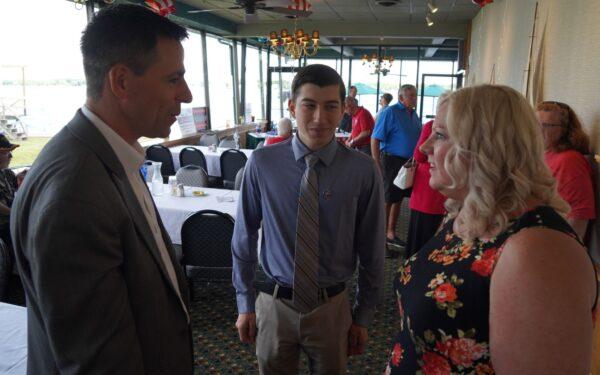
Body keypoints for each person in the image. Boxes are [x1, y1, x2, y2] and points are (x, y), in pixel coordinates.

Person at [10, 5, 194, 373]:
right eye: (173, 79)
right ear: (121, 81)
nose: (187, 95)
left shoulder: (108, 157)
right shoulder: (75, 193)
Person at [384, 85, 596, 374]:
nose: (424, 147)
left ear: (485, 147)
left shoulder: (537, 250)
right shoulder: (468, 213)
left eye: (442, 135)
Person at [232, 64, 385, 374]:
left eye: (330, 107)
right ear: (292, 106)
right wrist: (244, 301)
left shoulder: (363, 170)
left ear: (344, 109)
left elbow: (373, 249)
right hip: (274, 304)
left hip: (332, 307)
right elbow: (244, 234)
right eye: (309, 105)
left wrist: (363, 315)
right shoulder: (262, 162)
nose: (319, 117)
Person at [535, 101, 596, 241]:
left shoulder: (569, 161)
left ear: (565, 130)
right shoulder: (543, 154)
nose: (538, 130)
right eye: (535, 124)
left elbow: (578, 219)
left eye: (547, 125)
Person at [371, 84, 421, 245]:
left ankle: (390, 233)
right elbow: (375, 138)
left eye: (415, 95)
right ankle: (380, 239)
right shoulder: (390, 112)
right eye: (411, 96)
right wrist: (376, 162)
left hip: (407, 162)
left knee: (398, 198)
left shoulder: (413, 114)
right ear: (401, 98)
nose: (414, 98)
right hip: (391, 160)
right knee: (388, 199)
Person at [404, 94, 449, 258]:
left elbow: (419, 154)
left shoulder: (432, 125)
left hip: (430, 191)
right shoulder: (432, 125)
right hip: (432, 191)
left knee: (422, 240)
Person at [0, 135, 26, 247]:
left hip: (12, 223)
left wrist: (25, 177)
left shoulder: (6, 173)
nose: (11, 156)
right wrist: (15, 214)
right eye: (6, 153)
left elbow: (19, 183)